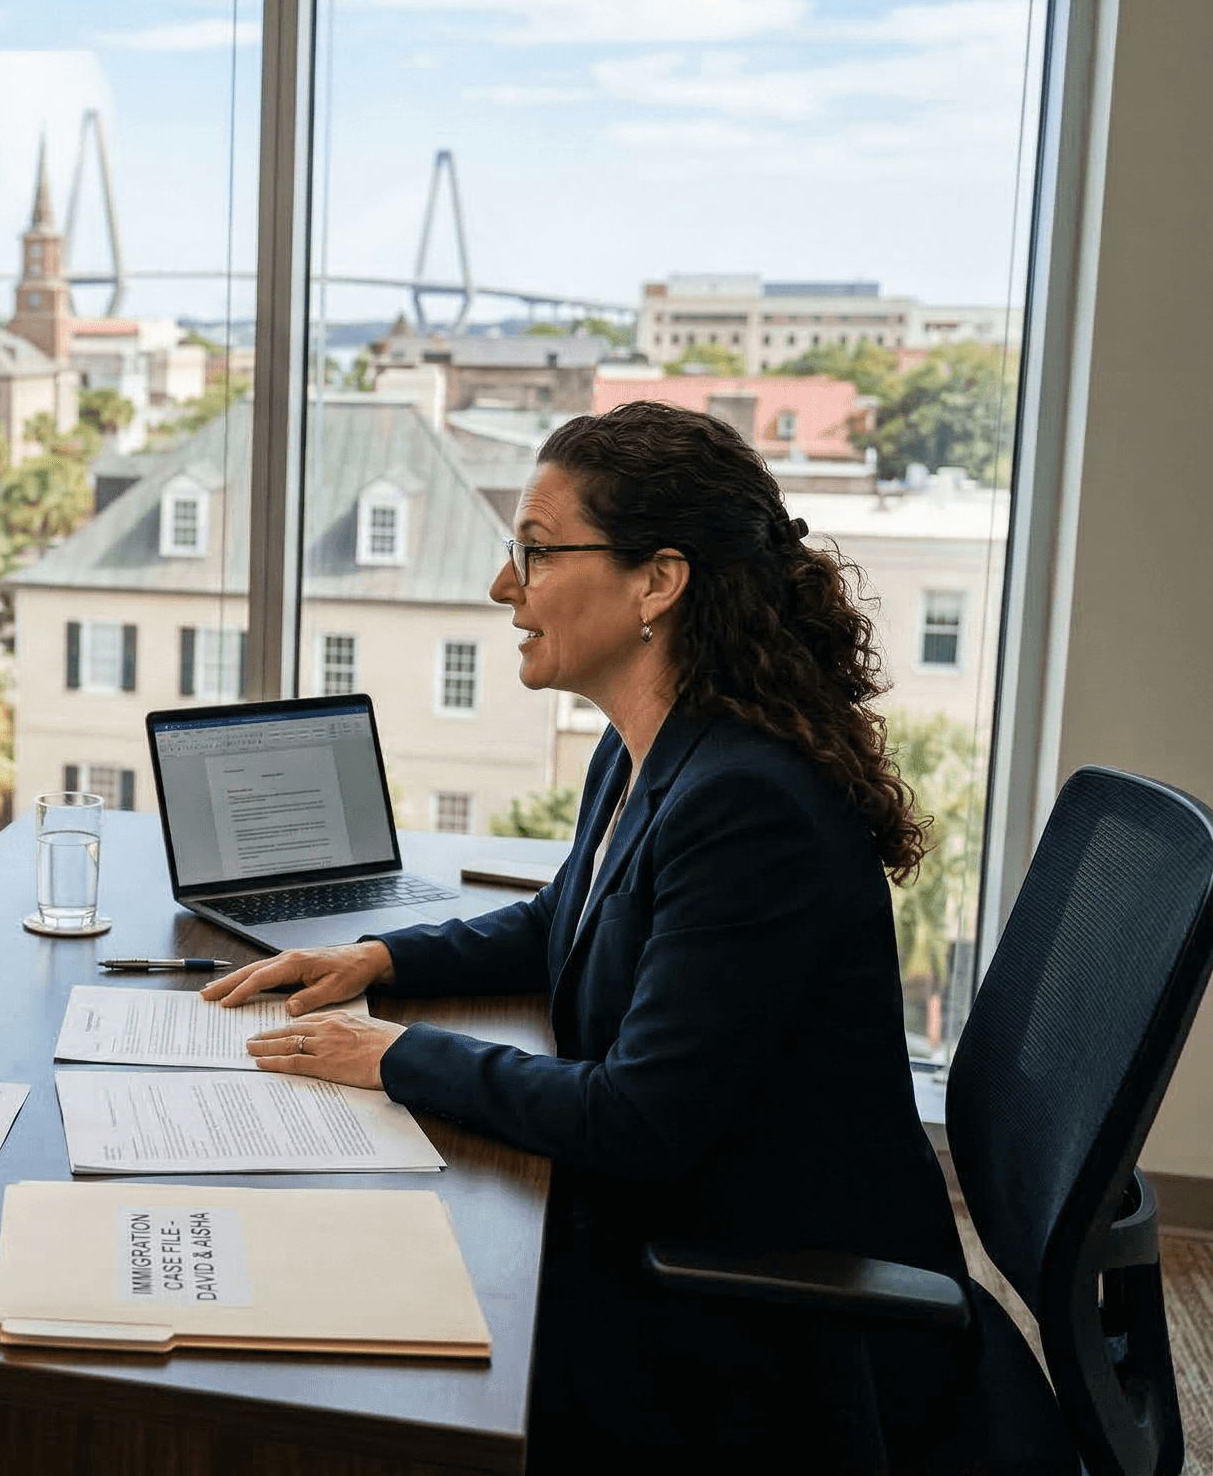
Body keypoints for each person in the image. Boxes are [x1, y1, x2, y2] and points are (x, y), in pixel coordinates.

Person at [206, 401, 971, 1473]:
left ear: (656, 581)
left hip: (758, 1318)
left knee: (360, 1358)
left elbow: (636, 1119)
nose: (501, 587)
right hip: (684, 1228)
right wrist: (380, 962)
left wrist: (391, 1055)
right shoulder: (649, 744)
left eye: (533, 550)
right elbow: (566, 919)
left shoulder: (745, 805)